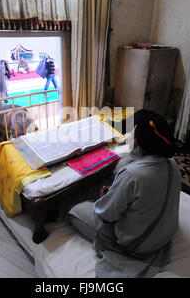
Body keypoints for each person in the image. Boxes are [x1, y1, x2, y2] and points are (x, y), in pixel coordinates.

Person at [68, 109, 182, 277]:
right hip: (164, 235)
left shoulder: (133, 175)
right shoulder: (172, 164)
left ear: (138, 141)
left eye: (133, 132)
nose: (131, 135)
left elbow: (107, 214)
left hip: (137, 246)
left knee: (75, 211)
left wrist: (103, 198)